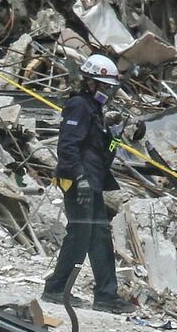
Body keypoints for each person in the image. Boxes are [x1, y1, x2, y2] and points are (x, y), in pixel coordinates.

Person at [42, 54, 136, 314]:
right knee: (81, 235)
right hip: (78, 183)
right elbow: (68, 147)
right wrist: (80, 180)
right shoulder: (79, 106)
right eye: (104, 86)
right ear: (91, 83)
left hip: (91, 182)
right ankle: (56, 289)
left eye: (110, 87)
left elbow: (101, 154)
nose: (108, 92)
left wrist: (115, 137)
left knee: (98, 237)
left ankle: (105, 295)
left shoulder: (94, 111)